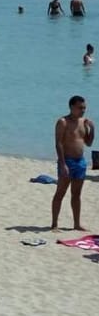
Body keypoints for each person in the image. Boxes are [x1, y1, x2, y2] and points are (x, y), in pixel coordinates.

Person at [52, 96, 93, 230]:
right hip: (67, 160)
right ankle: (54, 224)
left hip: (80, 161)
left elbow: (88, 143)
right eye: (80, 108)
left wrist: (91, 128)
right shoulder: (63, 122)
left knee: (77, 194)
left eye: (84, 108)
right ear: (71, 107)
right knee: (61, 192)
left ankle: (76, 224)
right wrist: (62, 163)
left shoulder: (83, 122)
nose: (83, 110)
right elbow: (58, 143)